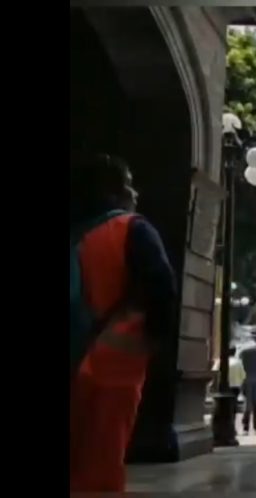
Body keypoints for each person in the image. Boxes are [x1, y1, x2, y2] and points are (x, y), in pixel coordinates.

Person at [69, 154, 177, 492]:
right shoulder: (132, 228)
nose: (135, 191)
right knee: (102, 458)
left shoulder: (80, 236)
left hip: (80, 355)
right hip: (112, 362)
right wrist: (153, 341)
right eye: (128, 183)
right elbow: (162, 290)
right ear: (114, 191)